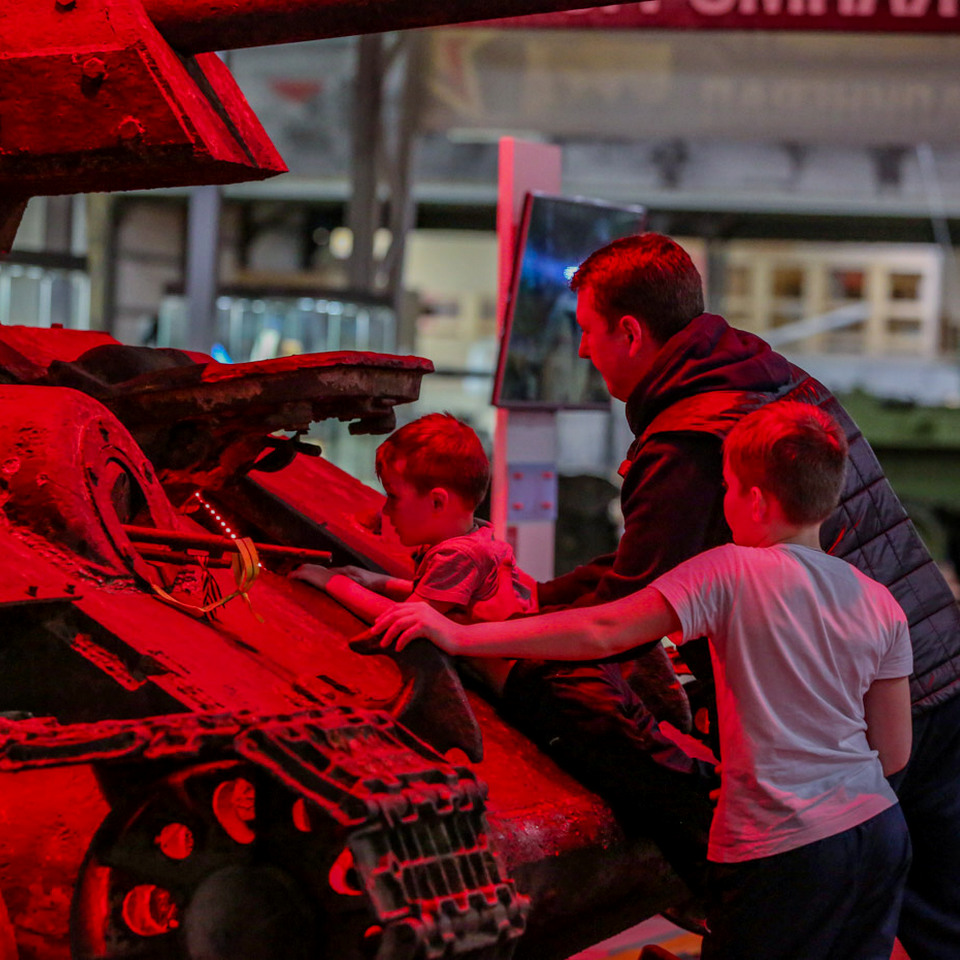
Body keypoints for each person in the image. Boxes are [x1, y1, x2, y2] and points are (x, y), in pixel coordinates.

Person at [492, 232, 960, 960]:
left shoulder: (688, 435)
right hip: (935, 680)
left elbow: (622, 617)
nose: (583, 351)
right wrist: (542, 594)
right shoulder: (770, 376)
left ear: (629, 332)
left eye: (586, 332)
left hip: (840, 761)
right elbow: (647, 567)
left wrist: (484, 630)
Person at [368, 401, 914, 960]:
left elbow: (603, 630)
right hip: (878, 831)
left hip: (783, 845)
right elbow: (893, 753)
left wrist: (458, 636)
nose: (724, 503)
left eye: (727, 488)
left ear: (754, 500)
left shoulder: (731, 568)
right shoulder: (879, 601)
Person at [293, 414, 536, 674]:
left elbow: (406, 619)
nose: (386, 510)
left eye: (393, 496)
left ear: (437, 502)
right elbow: (445, 597)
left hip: (518, 681)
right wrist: (375, 581)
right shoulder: (476, 536)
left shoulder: (461, 554)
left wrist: (331, 582)